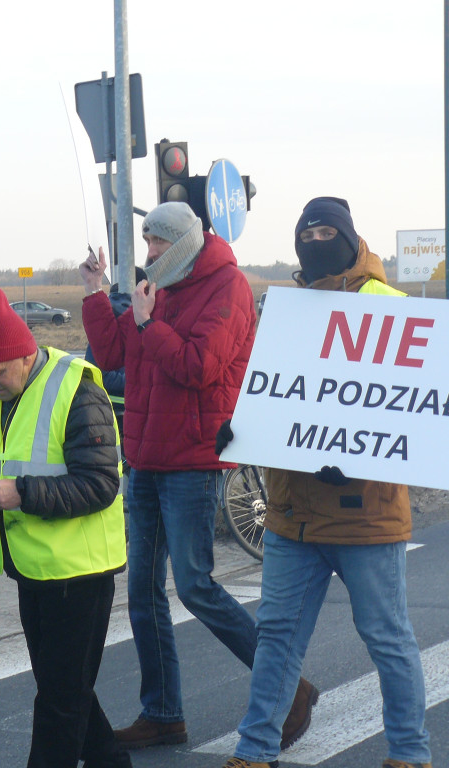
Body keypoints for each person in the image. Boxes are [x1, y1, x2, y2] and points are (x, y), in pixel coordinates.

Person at [79, 201, 315, 750]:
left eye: (157, 242)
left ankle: (291, 688)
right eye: (145, 242)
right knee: (141, 591)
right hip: (144, 457)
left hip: (192, 457)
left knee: (195, 586)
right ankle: (162, 713)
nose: (149, 253)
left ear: (183, 242)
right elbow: (111, 351)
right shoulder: (156, 288)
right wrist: (95, 294)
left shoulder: (226, 286)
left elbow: (198, 367)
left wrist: (146, 321)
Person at [218, 197, 431, 768]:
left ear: (349, 238)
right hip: (293, 512)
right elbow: (272, 392)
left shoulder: (386, 304)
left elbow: (408, 408)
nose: (315, 241)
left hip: (367, 512)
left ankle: (410, 754)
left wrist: (355, 458)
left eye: (325, 231)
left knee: (387, 640)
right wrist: (237, 429)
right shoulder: (285, 309)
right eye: (305, 232)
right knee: (277, 641)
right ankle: (254, 750)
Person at [0, 284, 130, 768]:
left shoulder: (77, 388)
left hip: (79, 573)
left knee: (59, 701)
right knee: (67, 689)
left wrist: (22, 494)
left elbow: (101, 483)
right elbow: (0, 465)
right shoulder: (2, 395)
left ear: (23, 354)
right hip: (32, 569)